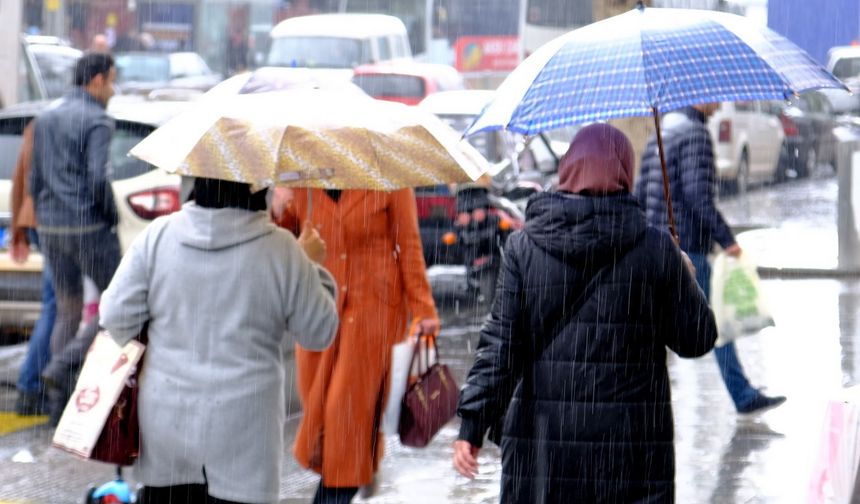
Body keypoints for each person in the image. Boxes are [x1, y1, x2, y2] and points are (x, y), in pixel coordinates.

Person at [452, 123, 717, 503]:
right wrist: (684, 276)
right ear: (626, 172)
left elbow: (500, 344)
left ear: (567, 170)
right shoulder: (655, 249)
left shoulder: (524, 247)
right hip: (630, 451)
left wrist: (472, 426)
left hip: (546, 447)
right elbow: (697, 340)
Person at [99, 178, 339, 504]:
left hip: (166, 424)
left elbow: (115, 316)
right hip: (245, 433)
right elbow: (319, 331)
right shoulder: (281, 250)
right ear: (257, 189)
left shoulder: (158, 237)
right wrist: (311, 267)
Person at [273, 188, 440, 504]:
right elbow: (282, 244)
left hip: (373, 311)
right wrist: (279, 210)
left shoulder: (387, 174)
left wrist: (424, 310)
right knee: (321, 419)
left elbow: (408, 244)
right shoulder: (301, 176)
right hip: (318, 306)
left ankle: (341, 484)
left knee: (344, 413)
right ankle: (357, 461)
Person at [635, 103, 787, 415]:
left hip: (655, 246)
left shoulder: (662, 131)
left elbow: (641, 191)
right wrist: (727, 240)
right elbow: (697, 196)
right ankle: (742, 394)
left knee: (651, 326)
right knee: (713, 322)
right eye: (713, 96)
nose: (719, 101)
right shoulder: (695, 134)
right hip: (686, 247)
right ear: (697, 99)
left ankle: (646, 400)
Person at [29, 52, 121, 423]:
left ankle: (57, 406)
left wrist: (44, 219)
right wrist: (110, 216)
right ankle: (65, 366)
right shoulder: (98, 121)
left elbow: (35, 178)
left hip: (52, 226)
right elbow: (98, 178)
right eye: (112, 81)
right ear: (97, 79)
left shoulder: (47, 118)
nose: (113, 90)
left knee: (67, 309)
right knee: (118, 304)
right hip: (88, 226)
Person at [10, 121, 57, 416]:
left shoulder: (40, 125)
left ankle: (35, 385)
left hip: (38, 218)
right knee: (59, 306)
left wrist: (18, 228)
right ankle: (32, 386)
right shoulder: (77, 123)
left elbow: (19, 179)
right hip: (59, 221)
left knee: (56, 305)